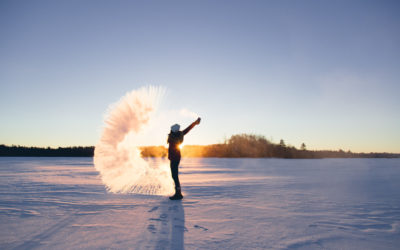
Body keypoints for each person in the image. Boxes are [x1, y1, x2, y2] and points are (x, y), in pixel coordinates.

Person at [168, 117, 201, 200]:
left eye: (171, 130)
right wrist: (195, 123)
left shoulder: (174, 136)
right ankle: (178, 193)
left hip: (174, 158)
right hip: (175, 158)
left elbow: (188, 129)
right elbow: (188, 129)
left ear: (173, 131)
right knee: (174, 176)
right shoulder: (179, 134)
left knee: (175, 176)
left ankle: (178, 194)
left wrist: (195, 123)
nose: (170, 131)